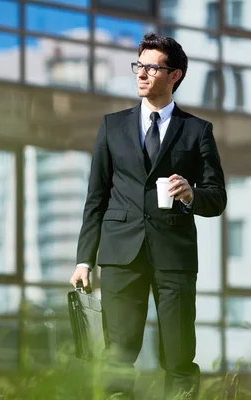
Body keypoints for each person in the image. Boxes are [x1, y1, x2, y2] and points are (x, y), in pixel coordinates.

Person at [69, 33, 227, 399]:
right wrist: (83, 260)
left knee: (179, 357)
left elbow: (216, 198)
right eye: (139, 65)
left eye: (152, 67)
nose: (141, 73)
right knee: (118, 356)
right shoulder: (111, 126)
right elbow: (96, 197)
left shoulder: (198, 131)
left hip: (174, 258)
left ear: (175, 75)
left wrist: (191, 193)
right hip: (121, 255)